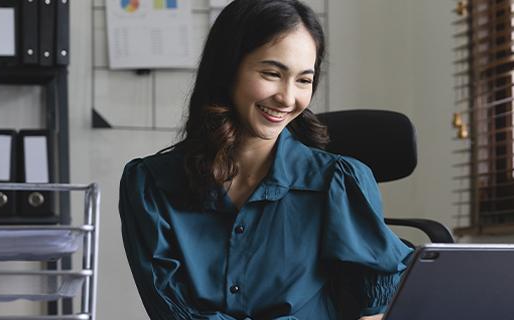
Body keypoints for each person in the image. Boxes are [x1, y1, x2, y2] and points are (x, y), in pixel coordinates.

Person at [117, 0, 413, 319]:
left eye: (303, 80)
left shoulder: (339, 181)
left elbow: (377, 306)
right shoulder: (149, 186)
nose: (287, 98)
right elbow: (172, 311)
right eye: (272, 73)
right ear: (227, 69)